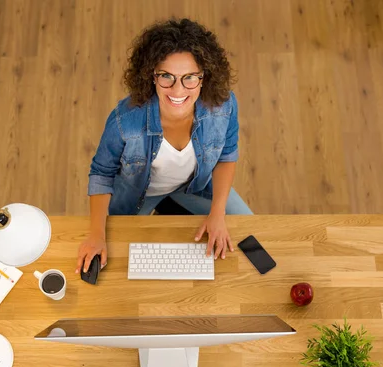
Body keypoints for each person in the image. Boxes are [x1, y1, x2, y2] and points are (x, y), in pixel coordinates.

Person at [76, 18, 253, 276]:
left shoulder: (224, 106)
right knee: (115, 265)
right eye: (166, 77)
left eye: (190, 77)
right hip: (139, 196)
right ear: (152, 75)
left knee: (251, 230)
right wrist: (95, 234)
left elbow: (227, 155)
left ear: (204, 78)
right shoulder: (125, 122)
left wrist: (217, 214)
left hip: (197, 185)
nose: (178, 90)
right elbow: (102, 173)